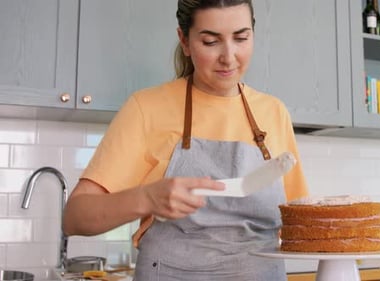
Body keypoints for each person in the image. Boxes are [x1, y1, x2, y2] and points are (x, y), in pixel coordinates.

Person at [62, 0, 309, 280]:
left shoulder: (274, 112)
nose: (229, 56)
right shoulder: (147, 108)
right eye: (210, 41)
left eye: (241, 38)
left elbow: (299, 221)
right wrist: (147, 198)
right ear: (185, 41)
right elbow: (74, 217)